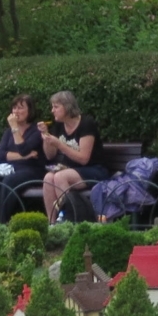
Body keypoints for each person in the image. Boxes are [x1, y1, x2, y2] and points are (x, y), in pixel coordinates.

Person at [39, 91, 107, 221]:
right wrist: (46, 136)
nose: (52, 111)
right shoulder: (59, 125)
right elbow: (50, 155)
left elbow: (83, 159)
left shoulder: (86, 124)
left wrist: (60, 144)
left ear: (67, 107)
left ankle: (70, 219)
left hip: (94, 169)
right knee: (48, 178)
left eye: (56, 107)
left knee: (60, 177)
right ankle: (51, 224)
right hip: (70, 170)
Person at [0, 95, 45, 223]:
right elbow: (1, 155)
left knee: (9, 181)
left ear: (30, 110)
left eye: (20, 108)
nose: (16, 111)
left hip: (32, 170)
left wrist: (15, 128)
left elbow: (23, 148)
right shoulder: (8, 132)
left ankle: (2, 223)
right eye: (14, 108)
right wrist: (24, 156)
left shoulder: (36, 131)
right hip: (12, 168)